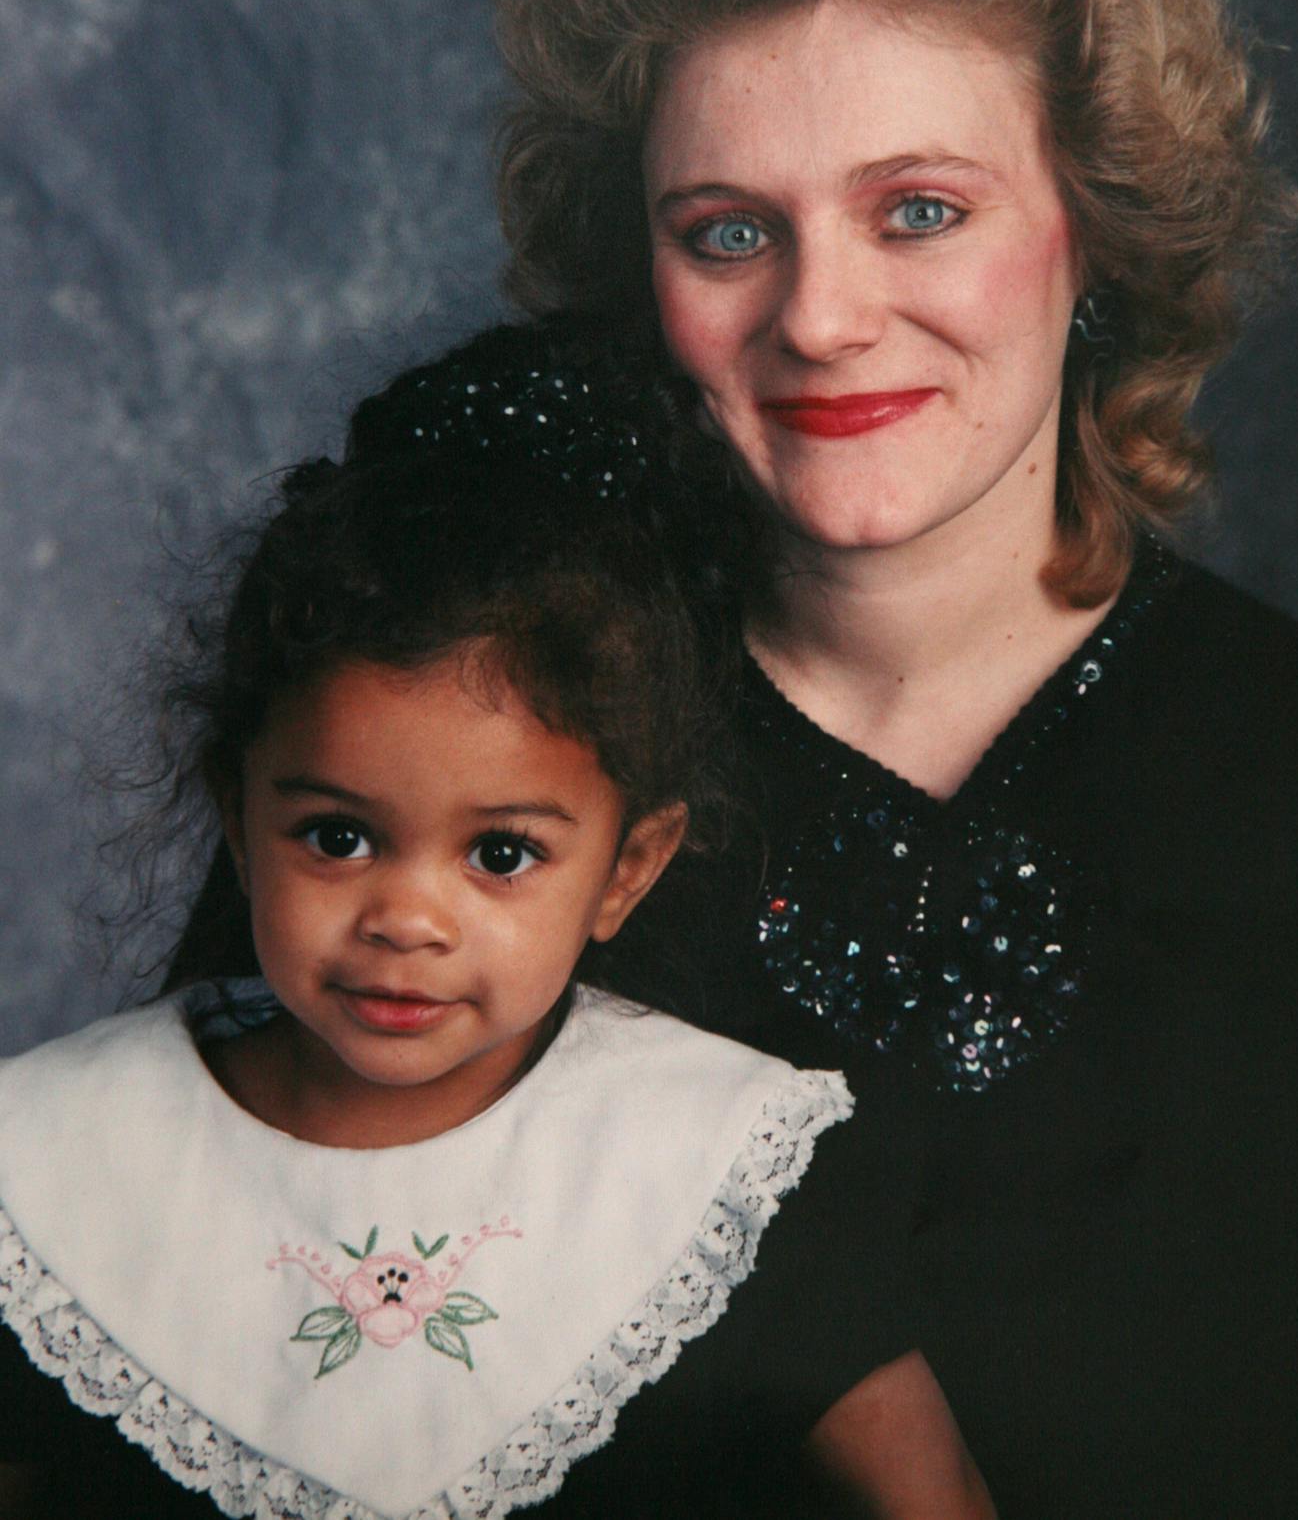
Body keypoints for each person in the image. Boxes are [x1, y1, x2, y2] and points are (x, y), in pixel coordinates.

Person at [361, 0, 1298, 1518]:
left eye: (917, 210)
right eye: (725, 232)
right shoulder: (448, 761)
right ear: (643, 274)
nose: (823, 317)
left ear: (1089, 230)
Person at [0, 342, 995, 1520]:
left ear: (626, 870)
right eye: (335, 837)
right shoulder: (50, 1172)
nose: (407, 920)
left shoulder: (722, 1168)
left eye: (502, 854)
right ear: (237, 811)